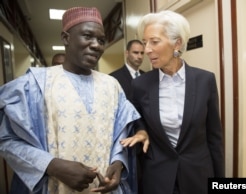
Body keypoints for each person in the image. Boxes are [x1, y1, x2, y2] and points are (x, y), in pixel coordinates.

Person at [0, 7, 148, 194]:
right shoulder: (35, 84)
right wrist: (52, 165)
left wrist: (118, 163)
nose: (96, 45)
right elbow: (7, 139)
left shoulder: (112, 85)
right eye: (87, 36)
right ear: (66, 38)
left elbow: (122, 134)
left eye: (101, 40)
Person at [120, 10, 225, 194]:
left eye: (154, 41)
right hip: (158, 179)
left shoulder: (205, 80)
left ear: (177, 43)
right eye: (145, 43)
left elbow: (214, 139)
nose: (147, 50)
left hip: (198, 177)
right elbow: (137, 119)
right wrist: (142, 130)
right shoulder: (140, 85)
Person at [110, 40, 145, 194]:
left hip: (146, 138)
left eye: (142, 53)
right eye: (135, 52)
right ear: (127, 53)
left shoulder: (148, 77)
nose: (139, 56)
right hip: (125, 139)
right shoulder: (113, 79)